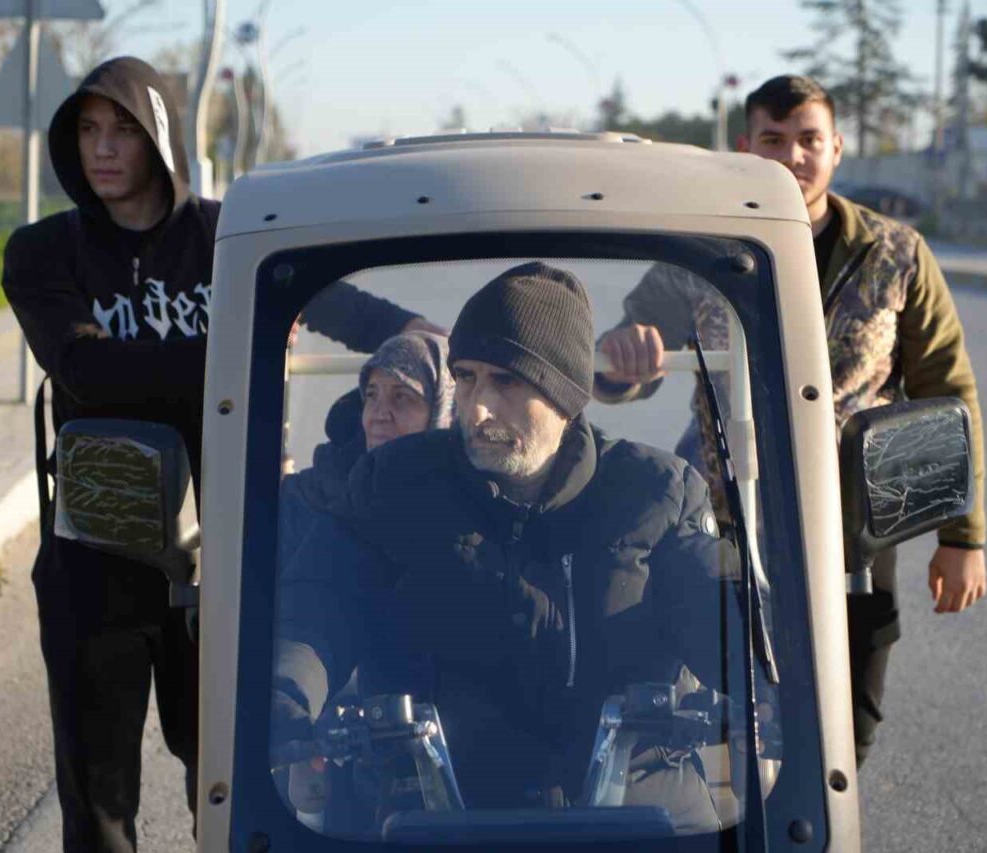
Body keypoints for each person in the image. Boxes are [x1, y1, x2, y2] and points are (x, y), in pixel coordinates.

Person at [2, 56, 437, 853]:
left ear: (160, 135)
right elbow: (86, 369)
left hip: (223, 554)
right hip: (94, 556)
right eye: (89, 130)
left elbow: (333, 298)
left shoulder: (228, 235)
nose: (103, 148)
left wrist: (426, 334)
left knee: (227, 776)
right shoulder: (42, 251)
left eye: (124, 129)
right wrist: (244, 348)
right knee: (98, 794)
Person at [593, 74, 987, 768]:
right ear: (746, 148)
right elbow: (625, 353)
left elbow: (946, 387)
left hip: (858, 520)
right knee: (739, 708)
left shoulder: (895, 253)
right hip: (732, 511)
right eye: (773, 140)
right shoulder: (701, 250)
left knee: (849, 722)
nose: (793, 156)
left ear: (836, 147)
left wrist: (963, 536)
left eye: (809, 139)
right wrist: (624, 360)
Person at [271, 262, 735, 824]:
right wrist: (286, 697)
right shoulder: (392, 485)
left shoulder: (656, 492)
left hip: (637, 815)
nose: (478, 408)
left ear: (565, 395)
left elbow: (720, 613)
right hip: (426, 817)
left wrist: (765, 685)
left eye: (507, 382)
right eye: (466, 378)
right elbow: (321, 603)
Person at [278, 329, 454, 568]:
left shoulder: (470, 512)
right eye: (371, 395)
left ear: (443, 411)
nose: (378, 415)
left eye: (401, 397)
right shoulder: (304, 498)